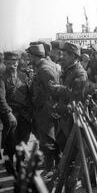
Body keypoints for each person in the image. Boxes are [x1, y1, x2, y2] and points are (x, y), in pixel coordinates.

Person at [0, 51, 32, 175]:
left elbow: (30, 95)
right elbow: (0, 99)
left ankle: (20, 165)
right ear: (5, 63)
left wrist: (31, 113)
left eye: (14, 63)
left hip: (24, 115)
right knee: (10, 143)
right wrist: (9, 113)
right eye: (9, 63)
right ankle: (9, 166)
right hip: (10, 116)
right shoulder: (1, 78)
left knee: (23, 141)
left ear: (18, 63)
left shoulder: (24, 76)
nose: (12, 66)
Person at [28, 43, 61, 178]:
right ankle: (56, 167)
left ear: (35, 56)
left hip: (46, 109)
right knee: (51, 139)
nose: (28, 58)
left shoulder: (45, 69)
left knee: (48, 139)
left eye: (29, 56)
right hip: (44, 107)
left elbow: (52, 91)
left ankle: (50, 169)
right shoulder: (45, 66)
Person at [49, 42, 88, 150]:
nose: (62, 57)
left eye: (65, 55)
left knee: (74, 147)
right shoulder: (68, 70)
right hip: (65, 116)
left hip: (74, 117)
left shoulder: (80, 73)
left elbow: (75, 93)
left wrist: (58, 88)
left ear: (73, 56)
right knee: (62, 143)